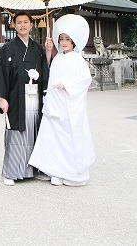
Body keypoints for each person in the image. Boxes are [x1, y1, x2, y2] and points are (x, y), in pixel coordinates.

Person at [29, 14, 94, 187]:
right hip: (55, 103)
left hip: (69, 105)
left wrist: (66, 85)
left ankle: (74, 174)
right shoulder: (58, 58)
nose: (64, 42)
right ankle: (56, 171)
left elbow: (85, 80)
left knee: (69, 138)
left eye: (67, 39)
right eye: (61, 39)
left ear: (74, 42)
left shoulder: (78, 60)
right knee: (54, 138)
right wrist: (49, 51)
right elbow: (48, 72)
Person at [0, 11, 52, 186]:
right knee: (16, 133)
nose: (23, 25)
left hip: (34, 97)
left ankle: (34, 169)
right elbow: (2, 74)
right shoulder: (8, 49)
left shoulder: (37, 48)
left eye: (26, 22)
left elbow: (45, 72)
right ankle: (11, 172)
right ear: (14, 25)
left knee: (34, 131)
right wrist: (2, 98)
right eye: (19, 22)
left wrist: (48, 52)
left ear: (31, 25)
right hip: (16, 98)